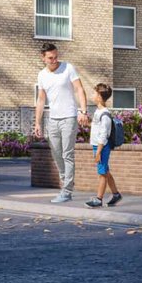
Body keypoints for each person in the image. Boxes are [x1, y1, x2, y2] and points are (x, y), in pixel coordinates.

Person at [31, 43, 90, 203]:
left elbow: (79, 89)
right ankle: (66, 182)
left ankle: (67, 189)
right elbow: (41, 99)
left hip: (69, 117)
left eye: (56, 56)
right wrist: (37, 123)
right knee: (56, 154)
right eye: (50, 58)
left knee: (67, 154)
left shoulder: (68, 68)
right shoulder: (42, 75)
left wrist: (83, 111)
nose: (54, 60)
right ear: (43, 57)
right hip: (53, 119)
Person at [86, 83, 124, 209]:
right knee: (105, 171)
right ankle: (116, 194)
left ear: (100, 97)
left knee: (102, 173)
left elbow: (103, 135)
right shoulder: (98, 111)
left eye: (94, 93)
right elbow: (97, 129)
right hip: (97, 146)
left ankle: (98, 199)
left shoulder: (105, 115)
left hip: (102, 147)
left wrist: (98, 152)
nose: (92, 95)